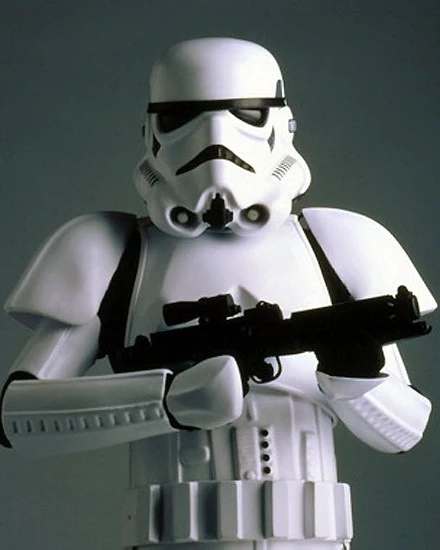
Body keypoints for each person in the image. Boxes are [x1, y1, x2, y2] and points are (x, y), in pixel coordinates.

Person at [1, 38, 436, 550]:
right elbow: (17, 418)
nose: (214, 140)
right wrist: (163, 402)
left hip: (314, 539)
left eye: (246, 114)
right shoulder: (113, 249)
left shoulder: (337, 243)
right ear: (151, 131)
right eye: (182, 117)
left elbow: (405, 432)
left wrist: (358, 379)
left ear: (282, 123)